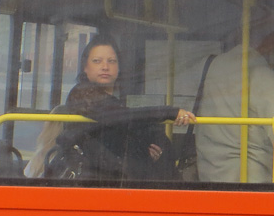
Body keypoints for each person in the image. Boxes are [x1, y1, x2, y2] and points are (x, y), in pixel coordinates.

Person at [48, 36, 194, 180]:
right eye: (97, 61)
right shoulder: (81, 94)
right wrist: (170, 112)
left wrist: (146, 149)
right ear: (85, 67)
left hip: (114, 180)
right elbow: (121, 116)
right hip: (90, 183)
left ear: (118, 68)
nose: (105, 67)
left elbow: (120, 132)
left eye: (111, 61)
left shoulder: (112, 102)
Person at [195, 9, 274, 184]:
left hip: (208, 178)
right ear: (271, 40)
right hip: (250, 184)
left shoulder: (209, 68)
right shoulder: (266, 80)